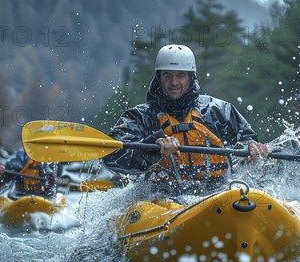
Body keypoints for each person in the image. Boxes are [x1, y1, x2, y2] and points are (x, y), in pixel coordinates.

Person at [104, 44, 269, 192]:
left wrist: (253, 149)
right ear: (158, 78)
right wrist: (150, 148)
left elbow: (246, 140)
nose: (174, 82)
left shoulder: (218, 111)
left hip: (217, 195)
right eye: (167, 75)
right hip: (160, 200)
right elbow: (112, 156)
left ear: (191, 77)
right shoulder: (141, 116)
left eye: (181, 75)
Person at [0, 148, 64, 199]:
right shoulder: (19, 158)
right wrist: (0, 174)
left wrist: (54, 180)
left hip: (46, 197)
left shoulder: (52, 159)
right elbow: (0, 182)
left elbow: (57, 177)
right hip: (18, 196)